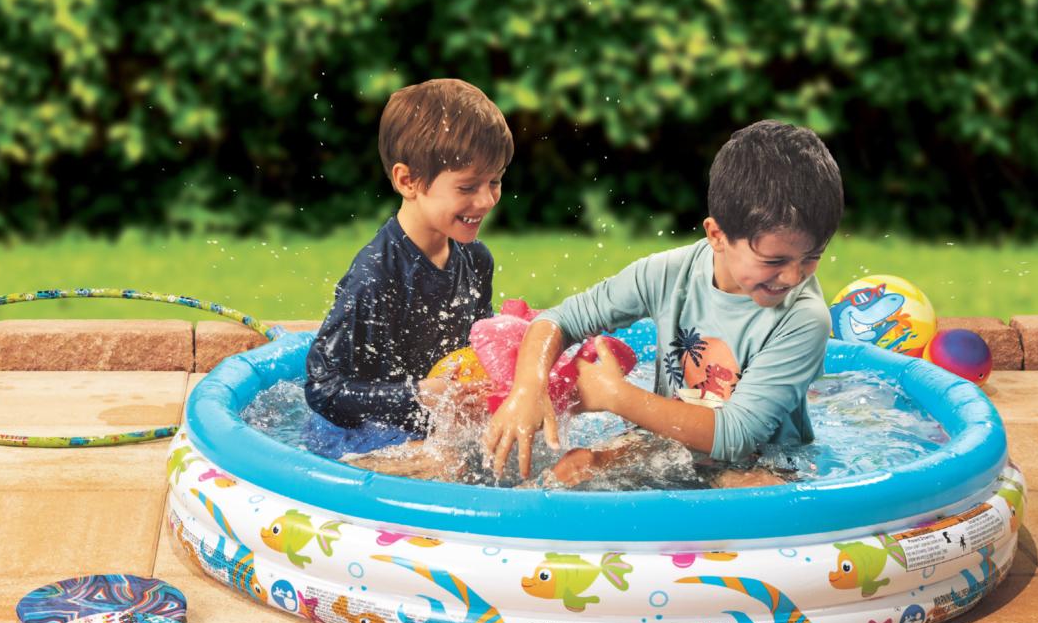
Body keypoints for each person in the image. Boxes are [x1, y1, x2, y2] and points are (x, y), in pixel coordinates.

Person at [483, 119, 843, 489]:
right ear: (717, 235)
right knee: (576, 468)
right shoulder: (671, 274)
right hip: (667, 444)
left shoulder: (805, 318)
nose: (794, 276)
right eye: (774, 260)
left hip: (764, 462)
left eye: (812, 257)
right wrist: (529, 388)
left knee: (753, 490)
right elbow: (560, 320)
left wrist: (616, 396)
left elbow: (738, 436)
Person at [304, 78, 512, 458]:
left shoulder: (476, 260)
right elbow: (323, 389)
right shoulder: (375, 275)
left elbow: (479, 347)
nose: (487, 200)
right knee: (453, 463)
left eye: (494, 181)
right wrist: (419, 394)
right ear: (408, 180)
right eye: (467, 187)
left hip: (427, 426)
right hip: (354, 435)